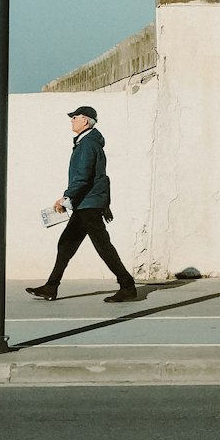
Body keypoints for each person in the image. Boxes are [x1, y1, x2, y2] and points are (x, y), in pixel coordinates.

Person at [26, 106, 138, 304]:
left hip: (88, 204)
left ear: (85, 121)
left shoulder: (87, 144)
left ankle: (127, 286)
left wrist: (66, 198)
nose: (72, 120)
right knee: (66, 244)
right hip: (86, 204)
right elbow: (98, 177)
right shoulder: (87, 143)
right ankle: (51, 287)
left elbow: (84, 177)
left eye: (75, 117)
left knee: (102, 246)